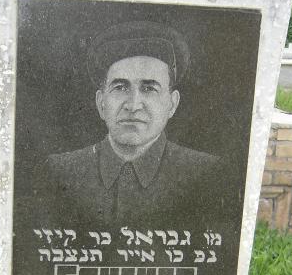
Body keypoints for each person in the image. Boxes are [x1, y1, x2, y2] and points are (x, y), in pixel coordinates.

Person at [32, 21, 223, 228]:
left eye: (149, 89)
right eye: (120, 87)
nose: (133, 106)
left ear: (172, 104)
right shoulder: (59, 171)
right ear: (101, 103)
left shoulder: (207, 174)